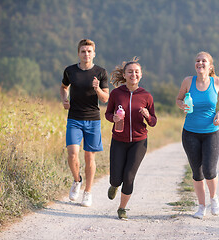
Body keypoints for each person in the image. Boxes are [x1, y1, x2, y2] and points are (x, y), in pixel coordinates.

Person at [176, 51, 219, 219]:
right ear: (195, 64)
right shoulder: (187, 81)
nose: (200, 63)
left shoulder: (218, 82)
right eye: (197, 60)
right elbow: (178, 99)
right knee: (196, 172)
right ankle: (201, 207)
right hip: (190, 133)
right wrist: (182, 105)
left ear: (210, 65)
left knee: (209, 169)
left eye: (204, 61)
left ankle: (214, 199)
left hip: (211, 133)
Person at [105, 57, 157, 220]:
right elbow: (107, 113)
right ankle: (114, 184)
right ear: (125, 75)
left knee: (129, 176)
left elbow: (154, 121)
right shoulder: (116, 93)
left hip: (139, 141)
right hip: (118, 140)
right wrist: (113, 118)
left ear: (140, 75)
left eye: (136, 72)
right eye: (130, 72)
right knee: (116, 177)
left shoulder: (146, 96)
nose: (133, 74)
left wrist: (148, 116)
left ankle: (122, 208)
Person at [60, 39, 109, 207]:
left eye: (89, 51)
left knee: (89, 157)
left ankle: (88, 192)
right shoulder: (70, 71)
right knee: (72, 154)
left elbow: (105, 99)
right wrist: (65, 100)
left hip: (93, 119)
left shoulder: (101, 72)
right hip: (74, 118)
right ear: (78, 53)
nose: (86, 54)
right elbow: (63, 87)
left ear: (94, 53)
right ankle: (77, 180)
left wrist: (97, 89)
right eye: (83, 51)